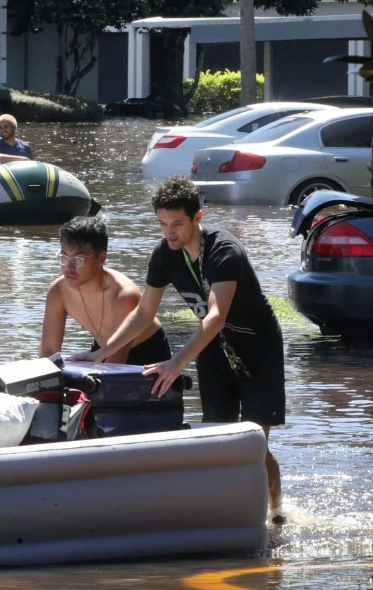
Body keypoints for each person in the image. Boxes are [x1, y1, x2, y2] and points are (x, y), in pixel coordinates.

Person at [74, 176, 285, 522]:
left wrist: (175, 363)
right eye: (162, 223)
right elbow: (144, 312)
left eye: (176, 224)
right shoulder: (164, 254)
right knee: (218, 438)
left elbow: (216, 315)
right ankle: (228, 513)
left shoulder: (224, 251)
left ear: (197, 218)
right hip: (215, 348)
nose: (168, 232)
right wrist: (103, 352)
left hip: (257, 347)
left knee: (252, 445)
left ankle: (277, 514)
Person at [39, 216, 170, 365]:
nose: (69, 267)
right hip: (101, 348)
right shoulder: (58, 290)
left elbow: (116, 362)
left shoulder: (123, 294)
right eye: (63, 257)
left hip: (147, 352)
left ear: (101, 258)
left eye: (78, 260)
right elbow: (48, 352)